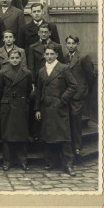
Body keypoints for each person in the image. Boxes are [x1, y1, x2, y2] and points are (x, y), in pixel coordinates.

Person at [35, 44, 78, 176]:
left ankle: (68, 165)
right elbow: (38, 91)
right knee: (48, 135)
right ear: (44, 55)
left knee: (64, 136)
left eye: (51, 54)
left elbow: (73, 86)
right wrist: (37, 109)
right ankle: (50, 162)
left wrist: (62, 100)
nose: (49, 56)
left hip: (60, 108)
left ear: (57, 55)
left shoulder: (63, 68)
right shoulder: (41, 71)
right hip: (46, 108)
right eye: (47, 54)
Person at [0, 49, 33, 171]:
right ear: (8, 59)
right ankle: (7, 161)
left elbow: (28, 91)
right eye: (12, 58)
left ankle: (23, 160)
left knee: (22, 133)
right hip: (8, 105)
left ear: (21, 59)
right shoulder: (2, 73)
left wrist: (23, 100)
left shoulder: (27, 73)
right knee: (7, 134)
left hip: (21, 106)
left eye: (17, 58)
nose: (15, 60)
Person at [64, 35, 96, 156]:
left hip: (78, 95)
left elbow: (91, 76)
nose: (70, 46)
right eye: (68, 43)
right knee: (68, 120)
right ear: (66, 44)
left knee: (76, 120)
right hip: (67, 94)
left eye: (73, 43)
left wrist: (84, 90)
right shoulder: (64, 57)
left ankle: (77, 146)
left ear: (77, 44)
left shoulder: (83, 57)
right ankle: (68, 145)